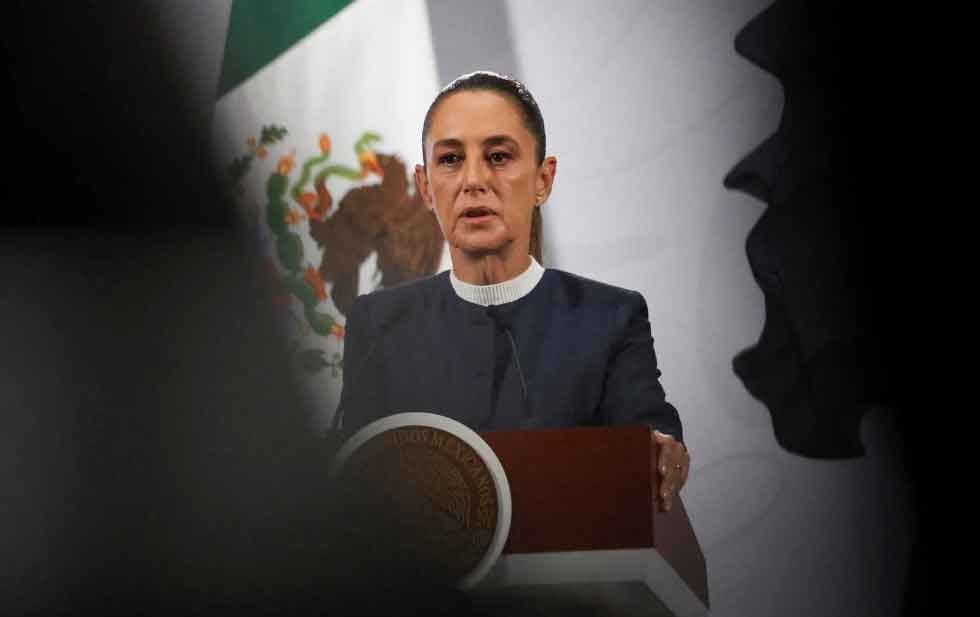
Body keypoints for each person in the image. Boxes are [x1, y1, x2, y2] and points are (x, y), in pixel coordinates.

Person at [337, 71, 690, 511]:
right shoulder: (380, 325)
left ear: (543, 179)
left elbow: (649, 435)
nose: (473, 180)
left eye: (499, 156)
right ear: (426, 187)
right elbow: (354, 483)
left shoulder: (610, 318)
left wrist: (662, 450)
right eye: (450, 159)